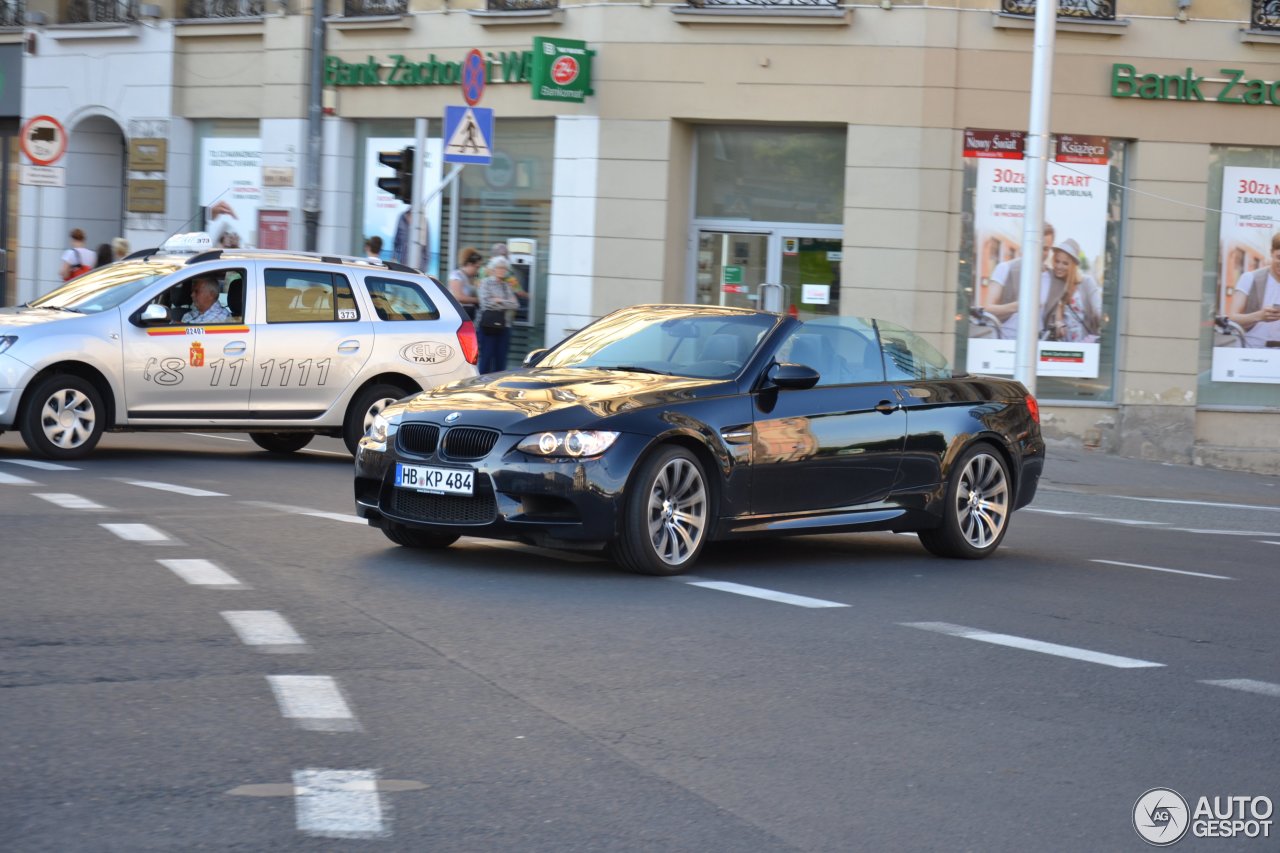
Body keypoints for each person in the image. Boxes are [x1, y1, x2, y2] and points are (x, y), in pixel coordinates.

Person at [978, 222, 1055, 340]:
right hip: (1006, 343)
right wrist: (1019, 306)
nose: (1040, 253)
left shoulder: (1051, 278)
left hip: (1038, 344)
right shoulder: (1005, 268)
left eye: (1045, 249)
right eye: (1037, 246)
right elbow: (987, 309)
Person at [1042, 238, 1103, 343]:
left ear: (1073, 265)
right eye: (1057, 261)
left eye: (1065, 263)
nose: (1059, 266)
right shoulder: (1053, 282)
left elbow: (1098, 309)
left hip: (1086, 344)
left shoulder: (1087, 282)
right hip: (1062, 347)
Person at [1227, 231, 1280, 348]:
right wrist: (1260, 316)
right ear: (1271, 253)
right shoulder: (1250, 278)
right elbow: (1232, 317)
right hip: (1252, 351)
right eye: (1279, 257)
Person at [476, 256, 520, 373]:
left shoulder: (506, 286)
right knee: (486, 357)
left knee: (501, 360)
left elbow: (516, 305)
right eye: (499, 268)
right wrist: (506, 303)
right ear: (493, 269)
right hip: (488, 326)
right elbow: (485, 304)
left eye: (504, 268)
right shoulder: (485, 283)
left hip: (504, 326)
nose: (502, 270)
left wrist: (499, 300)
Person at [448, 247, 483, 320]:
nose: (477, 270)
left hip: (470, 314)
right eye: (477, 267)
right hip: (459, 315)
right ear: (469, 264)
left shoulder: (471, 278)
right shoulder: (456, 275)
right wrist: (478, 300)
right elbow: (458, 297)